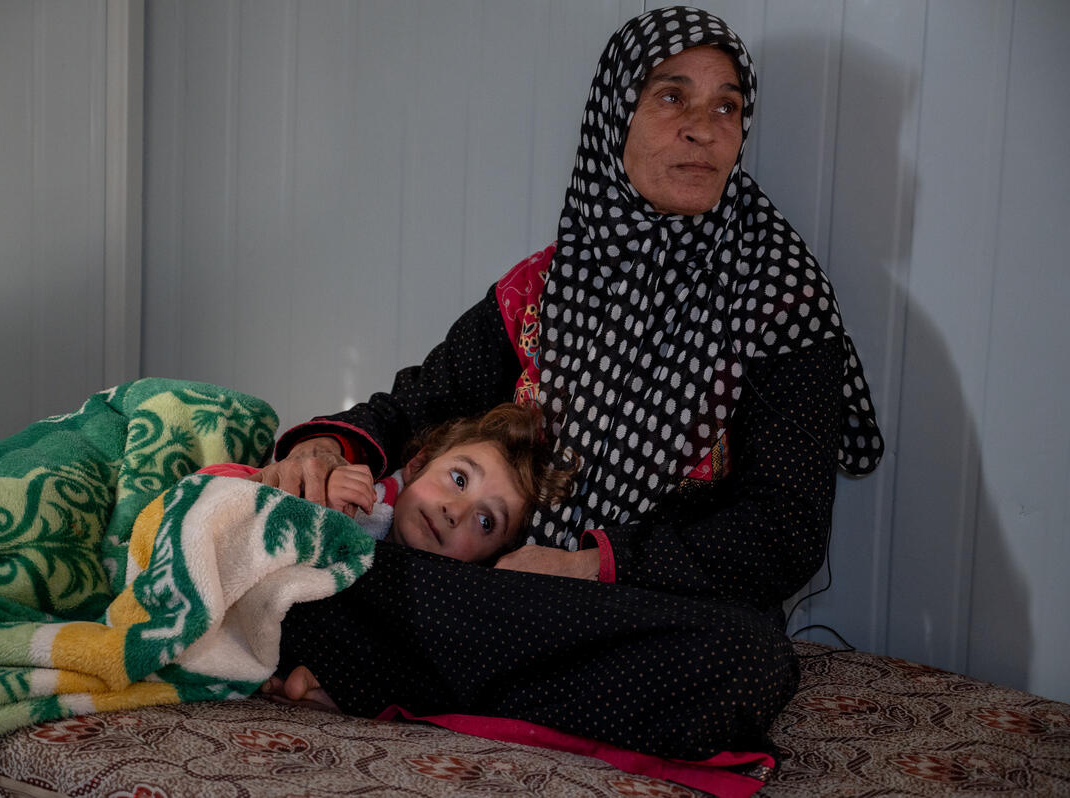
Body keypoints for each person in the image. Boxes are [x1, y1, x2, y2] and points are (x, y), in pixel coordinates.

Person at [256, 6, 883, 765]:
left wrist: (591, 563)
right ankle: (408, 667)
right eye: (671, 96)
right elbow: (423, 398)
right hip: (500, 592)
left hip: (641, 610)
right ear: (614, 115)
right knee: (301, 544)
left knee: (743, 662)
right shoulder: (549, 285)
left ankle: (378, 672)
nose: (703, 127)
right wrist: (326, 444)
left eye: (727, 106)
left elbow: (783, 532)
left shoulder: (784, 304)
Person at [199, 402, 577, 564]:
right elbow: (216, 493)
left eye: (486, 522)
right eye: (459, 479)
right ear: (417, 465)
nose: (455, 511)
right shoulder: (360, 495)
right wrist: (311, 503)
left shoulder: (438, 607)